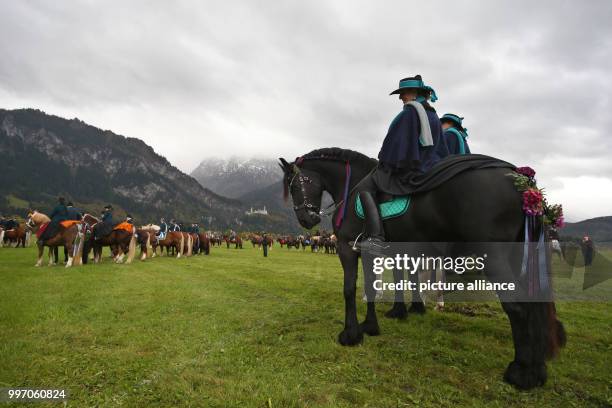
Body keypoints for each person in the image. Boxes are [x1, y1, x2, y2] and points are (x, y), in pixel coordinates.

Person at [352, 75, 449, 253]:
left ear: (414, 93)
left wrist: (385, 163)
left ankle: (375, 238)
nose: (400, 97)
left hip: (413, 171)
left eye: (403, 93)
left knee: (364, 187)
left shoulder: (410, 112)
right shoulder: (433, 115)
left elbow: (396, 147)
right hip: (431, 168)